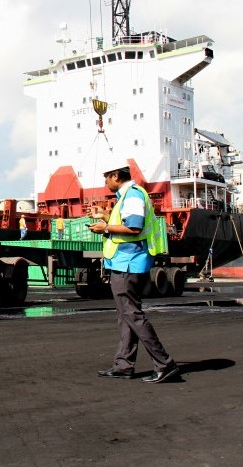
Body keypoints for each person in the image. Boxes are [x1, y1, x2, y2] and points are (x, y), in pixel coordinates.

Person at [89, 160, 179, 384]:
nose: (105, 181)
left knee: (132, 315)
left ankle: (164, 364)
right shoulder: (129, 196)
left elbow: (134, 227)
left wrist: (105, 228)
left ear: (116, 176)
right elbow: (128, 223)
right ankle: (123, 365)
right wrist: (105, 218)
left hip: (128, 264)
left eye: (106, 177)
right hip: (125, 262)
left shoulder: (132, 196)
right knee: (126, 316)